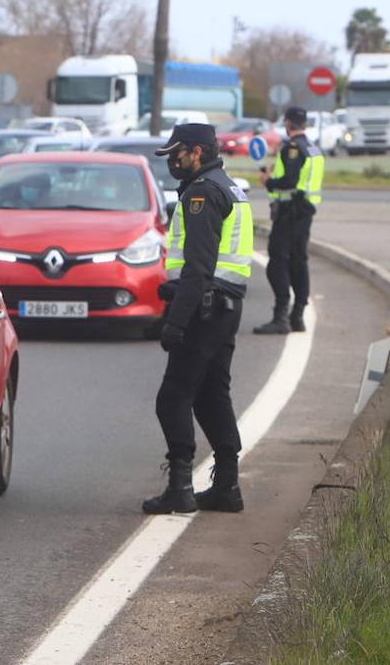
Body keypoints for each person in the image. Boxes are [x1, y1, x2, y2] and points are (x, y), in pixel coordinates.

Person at [143, 123, 254, 515]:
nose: (173, 160)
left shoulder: (202, 194)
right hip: (224, 307)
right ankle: (227, 486)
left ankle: (180, 488)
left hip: (204, 309)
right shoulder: (228, 187)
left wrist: (176, 321)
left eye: (178, 152)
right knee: (211, 395)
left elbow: (199, 266)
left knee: (172, 397)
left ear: (197, 152)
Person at [253, 106, 324, 335]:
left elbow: (289, 181)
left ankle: (280, 315)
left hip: (289, 210)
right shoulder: (313, 149)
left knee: (277, 260)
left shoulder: (292, 148)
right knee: (298, 261)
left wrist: (269, 181)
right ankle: (297, 316)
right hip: (306, 211)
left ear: (288, 123)